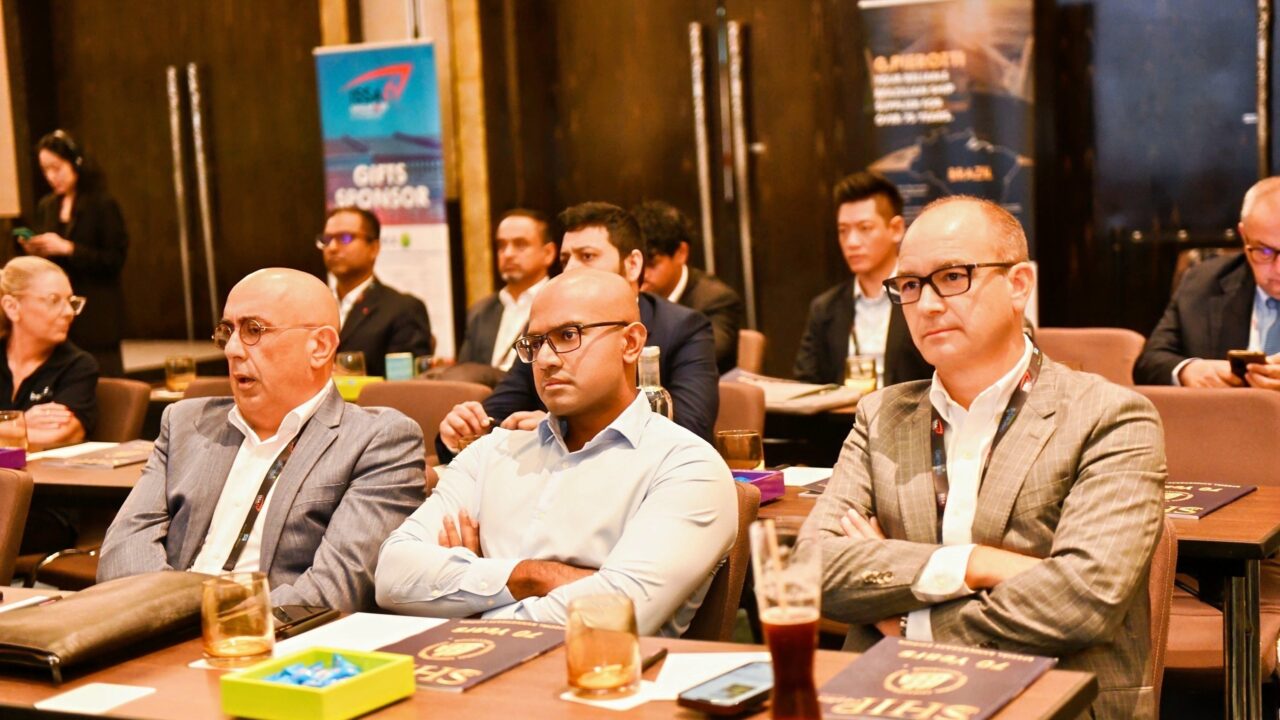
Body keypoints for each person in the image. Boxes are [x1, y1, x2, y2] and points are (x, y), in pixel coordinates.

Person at [807, 197, 1165, 719]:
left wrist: (910, 621)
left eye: (953, 277)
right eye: (911, 285)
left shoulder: (1110, 417)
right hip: (887, 695)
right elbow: (814, 567)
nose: (927, 305)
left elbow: (1083, 599)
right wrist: (978, 564)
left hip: (1052, 698)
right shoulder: (881, 415)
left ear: (1019, 284)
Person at [377, 270, 736, 636]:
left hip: (595, 670)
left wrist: (465, 598)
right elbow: (391, 577)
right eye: (535, 343)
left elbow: (612, 616)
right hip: (461, 664)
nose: (545, 359)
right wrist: (530, 576)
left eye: (568, 335)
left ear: (630, 343)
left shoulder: (686, 466)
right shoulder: (492, 452)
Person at [98, 268, 426, 611]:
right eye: (227, 331)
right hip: (159, 626)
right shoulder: (185, 422)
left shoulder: (376, 441)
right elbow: (123, 550)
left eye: (254, 330)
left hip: (272, 634)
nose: (232, 350)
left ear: (320, 347)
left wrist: (214, 622)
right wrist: (169, 619)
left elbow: (334, 591)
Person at [436, 202, 719, 460]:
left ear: (632, 265)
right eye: (565, 260)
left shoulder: (683, 328)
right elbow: (497, 414)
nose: (570, 269)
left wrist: (560, 430)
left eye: (587, 256)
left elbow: (691, 429)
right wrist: (462, 430)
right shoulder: (545, 333)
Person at [1135, 176, 1280, 389]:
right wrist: (1188, 370)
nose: (1278, 269)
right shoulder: (1202, 283)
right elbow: (1149, 362)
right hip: (1228, 410)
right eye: (1264, 251)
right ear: (1244, 236)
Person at [793, 171, 931, 388]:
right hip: (843, 410)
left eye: (864, 228)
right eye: (843, 231)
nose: (852, 242)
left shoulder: (925, 297)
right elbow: (805, 384)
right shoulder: (825, 308)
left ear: (895, 229)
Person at [22, 130, 127, 376]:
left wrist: (69, 248)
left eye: (57, 168)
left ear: (75, 163)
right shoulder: (47, 205)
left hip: (97, 312)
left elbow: (114, 259)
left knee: (104, 379)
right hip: (59, 311)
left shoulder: (102, 204)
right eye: (45, 170)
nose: (51, 176)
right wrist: (36, 250)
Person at [320, 207, 433, 378]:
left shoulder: (403, 309)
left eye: (345, 238)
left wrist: (351, 379)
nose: (333, 247)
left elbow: (408, 386)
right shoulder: (314, 306)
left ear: (374, 248)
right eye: (327, 239)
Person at [634, 200, 743, 373]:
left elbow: (698, 358)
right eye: (635, 263)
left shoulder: (717, 300)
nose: (641, 273)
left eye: (651, 263)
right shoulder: (628, 296)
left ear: (681, 253)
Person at [0, 256, 97, 448]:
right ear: (12, 307)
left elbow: (60, 435)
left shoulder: (78, 365)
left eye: (71, 302)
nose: (68, 312)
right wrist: (22, 422)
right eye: (54, 300)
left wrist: (8, 426)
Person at [453, 209, 558, 382]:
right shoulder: (481, 311)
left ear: (548, 253)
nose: (508, 254)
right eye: (501, 245)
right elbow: (464, 375)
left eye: (520, 244)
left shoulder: (561, 303)